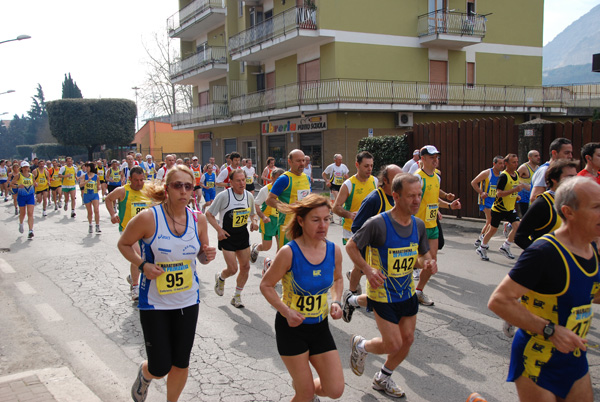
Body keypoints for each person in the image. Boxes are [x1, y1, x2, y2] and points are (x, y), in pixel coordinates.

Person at [488, 176, 600, 402]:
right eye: (596, 207)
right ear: (569, 212)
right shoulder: (544, 252)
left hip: (574, 357)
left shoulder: (593, 249)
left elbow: (591, 293)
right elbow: (499, 300)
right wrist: (550, 330)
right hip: (537, 356)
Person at [117, 164, 216, 402]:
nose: (183, 191)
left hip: (188, 300)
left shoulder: (198, 219)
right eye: (177, 185)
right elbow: (123, 244)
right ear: (167, 188)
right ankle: (145, 374)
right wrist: (143, 265)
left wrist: (206, 255)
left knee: (181, 362)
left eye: (188, 186)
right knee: (160, 366)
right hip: (155, 302)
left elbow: (201, 256)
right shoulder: (149, 218)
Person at [346, 173, 437, 398]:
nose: (416, 201)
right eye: (410, 196)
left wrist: (428, 264)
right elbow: (351, 247)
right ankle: (362, 346)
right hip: (382, 292)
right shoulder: (378, 224)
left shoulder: (418, 224)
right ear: (395, 196)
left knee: (407, 340)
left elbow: (422, 255)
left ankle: (383, 378)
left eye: (419, 195)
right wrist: (368, 270)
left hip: (406, 292)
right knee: (394, 343)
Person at [260, 193, 344, 402]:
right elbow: (266, 285)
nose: (323, 225)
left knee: (335, 390)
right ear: (301, 220)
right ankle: (303, 388)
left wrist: (336, 301)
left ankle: (303, 385)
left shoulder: (334, 251)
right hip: (291, 329)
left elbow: (338, 279)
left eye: (326, 219)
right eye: (316, 220)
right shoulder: (289, 252)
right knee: (305, 395)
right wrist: (286, 311)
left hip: (320, 326)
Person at [206, 169, 262, 308]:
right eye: (238, 180)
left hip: (242, 235)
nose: (242, 183)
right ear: (230, 182)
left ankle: (236, 296)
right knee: (232, 269)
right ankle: (221, 277)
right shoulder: (224, 196)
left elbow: (253, 214)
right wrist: (219, 230)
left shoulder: (248, 196)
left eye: (243, 180)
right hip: (227, 236)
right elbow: (209, 214)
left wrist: (254, 222)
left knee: (246, 266)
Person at [332, 151, 378, 320]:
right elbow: (336, 208)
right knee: (362, 264)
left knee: (369, 264)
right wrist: (349, 214)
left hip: (372, 230)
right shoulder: (348, 184)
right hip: (354, 230)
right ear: (357, 165)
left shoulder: (375, 181)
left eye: (372, 166)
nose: (369, 169)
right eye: (366, 166)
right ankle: (351, 296)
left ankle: (353, 279)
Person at [413, 145, 460, 306]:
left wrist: (449, 205)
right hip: (418, 225)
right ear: (423, 159)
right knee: (412, 259)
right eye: (432, 157)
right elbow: (409, 199)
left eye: (437, 157)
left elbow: (434, 199)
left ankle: (418, 291)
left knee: (432, 260)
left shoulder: (436, 177)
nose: (435, 160)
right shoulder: (417, 177)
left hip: (432, 224)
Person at [106, 167, 152, 301]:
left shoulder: (147, 190)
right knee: (138, 255)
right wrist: (113, 213)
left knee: (146, 257)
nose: (139, 183)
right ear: (129, 179)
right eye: (136, 180)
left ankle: (133, 277)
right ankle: (135, 287)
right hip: (128, 230)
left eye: (142, 180)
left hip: (145, 231)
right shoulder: (123, 191)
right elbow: (108, 199)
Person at [515, 159, 578, 250]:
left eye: (575, 176)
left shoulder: (574, 201)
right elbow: (520, 237)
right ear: (554, 179)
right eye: (569, 177)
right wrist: (542, 255)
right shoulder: (542, 204)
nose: (574, 180)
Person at [476, 153, 523, 261]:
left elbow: (511, 190)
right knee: (493, 230)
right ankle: (482, 247)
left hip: (510, 208)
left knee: (518, 226)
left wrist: (516, 196)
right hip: (499, 208)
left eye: (517, 162)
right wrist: (514, 191)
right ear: (507, 164)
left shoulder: (516, 174)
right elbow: (499, 194)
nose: (516, 164)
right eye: (513, 162)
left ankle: (505, 246)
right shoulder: (504, 176)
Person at [266, 149, 311, 250]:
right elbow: (269, 200)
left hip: (304, 224)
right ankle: (269, 264)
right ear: (289, 162)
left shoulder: (306, 178)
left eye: (303, 160)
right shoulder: (284, 179)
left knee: (302, 255)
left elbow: (308, 198)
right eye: (298, 161)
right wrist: (288, 207)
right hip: (287, 225)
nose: (302, 163)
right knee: (284, 256)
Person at [250, 168, 285, 270]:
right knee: (267, 247)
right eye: (278, 179)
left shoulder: (285, 190)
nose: (280, 182)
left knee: (281, 247)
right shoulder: (265, 190)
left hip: (281, 220)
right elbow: (256, 205)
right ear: (272, 178)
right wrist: (263, 217)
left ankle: (273, 268)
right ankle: (256, 249)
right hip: (268, 221)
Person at [471, 156, 505, 247]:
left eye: (503, 163)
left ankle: (480, 239)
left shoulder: (502, 174)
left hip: (495, 201)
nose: (502, 165)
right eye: (500, 163)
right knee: (490, 220)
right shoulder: (487, 173)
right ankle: (482, 239)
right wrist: (481, 192)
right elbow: (474, 182)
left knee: (490, 221)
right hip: (485, 200)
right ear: (494, 164)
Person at [12, 161, 36, 239]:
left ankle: (30, 231)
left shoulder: (31, 175)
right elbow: (11, 184)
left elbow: (34, 183)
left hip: (30, 196)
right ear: (21, 168)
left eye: (27, 167)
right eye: (24, 167)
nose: (26, 168)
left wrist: (36, 184)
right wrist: (18, 186)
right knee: (23, 213)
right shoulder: (18, 176)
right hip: (21, 196)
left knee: (30, 213)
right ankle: (21, 223)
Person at [322, 154, 350, 221]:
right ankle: (340, 217)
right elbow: (323, 174)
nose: (341, 161)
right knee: (338, 199)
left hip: (341, 185)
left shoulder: (344, 167)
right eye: (339, 159)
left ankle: (331, 212)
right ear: (335, 160)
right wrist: (327, 181)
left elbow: (347, 176)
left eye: (341, 159)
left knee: (336, 201)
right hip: (333, 185)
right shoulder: (331, 167)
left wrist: (347, 177)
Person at [515, 150, 540, 217]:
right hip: (524, 197)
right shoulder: (524, 167)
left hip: (533, 195)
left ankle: (509, 224)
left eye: (538, 155)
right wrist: (523, 185)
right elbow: (514, 178)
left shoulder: (539, 168)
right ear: (530, 158)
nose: (538, 157)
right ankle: (510, 225)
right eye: (536, 156)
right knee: (526, 217)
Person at [80, 162, 101, 234]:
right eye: (85, 167)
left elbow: (98, 185)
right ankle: (90, 225)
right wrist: (87, 181)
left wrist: (99, 187)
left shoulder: (96, 176)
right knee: (90, 211)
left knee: (96, 210)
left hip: (94, 195)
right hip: (87, 195)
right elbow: (80, 185)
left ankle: (97, 225)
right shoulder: (84, 176)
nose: (86, 168)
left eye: (87, 167)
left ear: (91, 167)